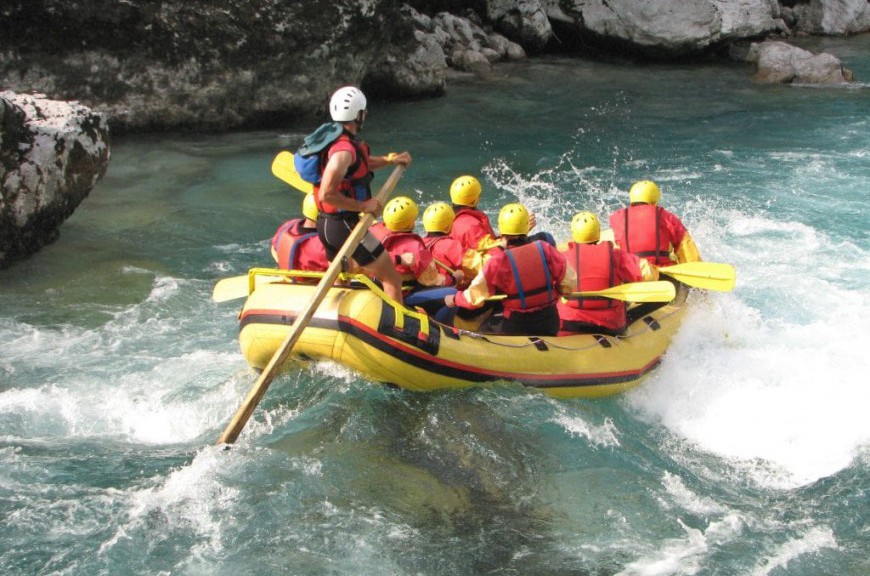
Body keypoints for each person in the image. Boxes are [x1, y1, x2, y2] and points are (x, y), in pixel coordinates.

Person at [313, 86, 412, 304]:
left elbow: (361, 165)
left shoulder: (334, 140)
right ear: (358, 114)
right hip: (344, 225)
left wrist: (390, 160)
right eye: (363, 112)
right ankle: (396, 331)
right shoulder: (343, 151)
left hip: (325, 225)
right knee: (392, 279)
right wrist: (363, 206)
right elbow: (327, 194)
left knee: (342, 276)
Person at [444, 203, 575, 336]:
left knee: (483, 330)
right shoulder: (545, 248)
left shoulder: (497, 261)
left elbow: (474, 298)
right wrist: (557, 293)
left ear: (501, 228)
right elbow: (570, 282)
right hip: (550, 321)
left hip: (517, 324)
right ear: (526, 226)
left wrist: (454, 299)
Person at [557, 211, 659, 336]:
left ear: (573, 234)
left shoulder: (561, 258)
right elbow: (648, 275)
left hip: (568, 324)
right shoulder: (616, 256)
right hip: (609, 326)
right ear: (599, 232)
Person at [608, 180, 702, 266]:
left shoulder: (617, 217)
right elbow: (686, 248)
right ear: (655, 199)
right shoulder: (666, 216)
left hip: (630, 271)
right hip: (661, 271)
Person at [271, 193, 329, 273]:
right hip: (313, 283)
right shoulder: (322, 245)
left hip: (287, 277)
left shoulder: (288, 226)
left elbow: (273, 248)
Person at [421, 201, 470, 288]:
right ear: (447, 226)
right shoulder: (450, 245)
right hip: (449, 290)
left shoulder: (419, 244)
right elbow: (473, 265)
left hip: (426, 288)